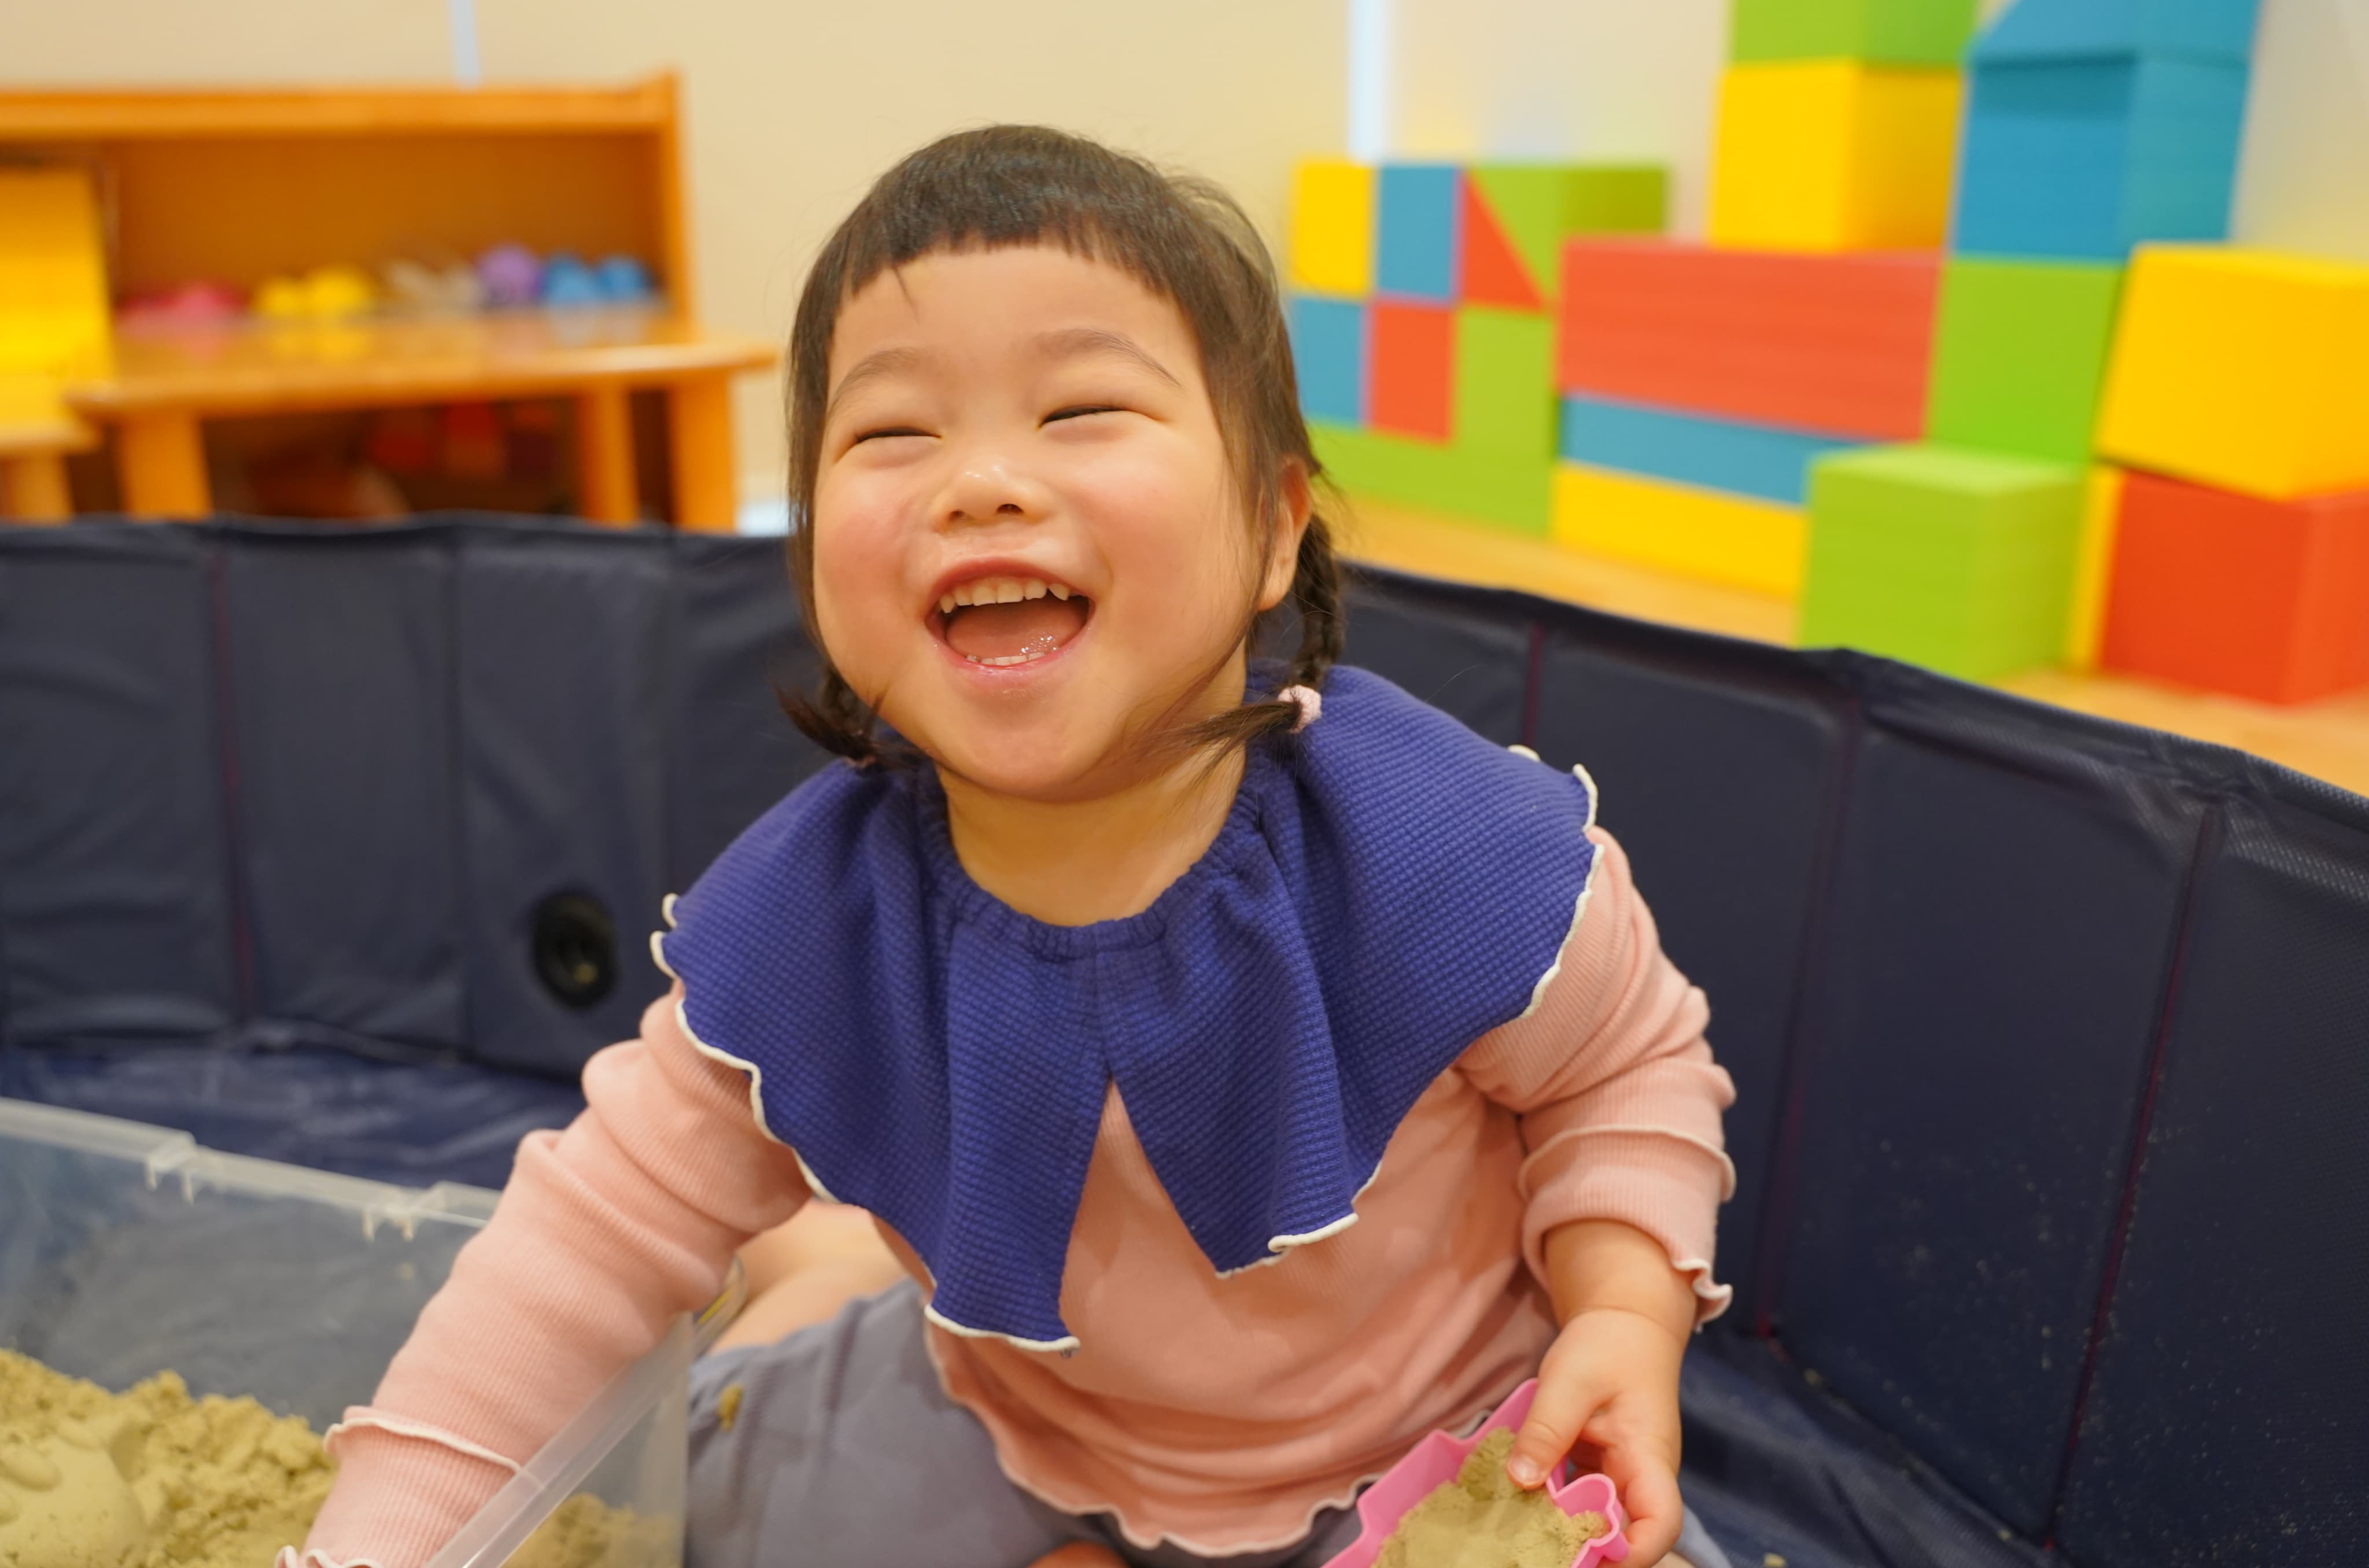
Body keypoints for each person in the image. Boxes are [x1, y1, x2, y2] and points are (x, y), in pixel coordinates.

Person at [282, 126, 1737, 1568]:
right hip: (1011, 1425)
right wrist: (366, 1549)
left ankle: (823, 1257)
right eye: (892, 434)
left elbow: (1622, 1069)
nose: (977, 481)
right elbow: (585, 1243)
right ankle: (817, 1275)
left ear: (1271, 526)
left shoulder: (1424, 843)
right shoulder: (813, 920)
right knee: (686, 1511)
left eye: (1080, 409)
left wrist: (1620, 1314)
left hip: (1439, 1441)